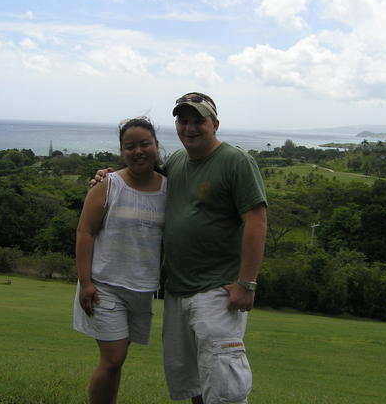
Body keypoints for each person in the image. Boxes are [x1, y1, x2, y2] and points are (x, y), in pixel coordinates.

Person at [94, 92, 267, 404]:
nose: (190, 127)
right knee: (194, 382)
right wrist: (108, 175)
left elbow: (257, 221)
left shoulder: (236, 161)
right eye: (183, 120)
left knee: (224, 384)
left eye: (198, 120)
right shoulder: (176, 162)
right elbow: (141, 176)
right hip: (177, 290)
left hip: (218, 289)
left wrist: (247, 283)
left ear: (214, 123)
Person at [74, 117, 167, 404]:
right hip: (105, 285)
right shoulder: (108, 184)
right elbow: (85, 231)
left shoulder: (168, 188)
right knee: (113, 357)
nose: (138, 151)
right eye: (130, 146)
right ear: (122, 151)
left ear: (155, 146)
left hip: (142, 288)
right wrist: (86, 282)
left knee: (118, 359)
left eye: (144, 144)